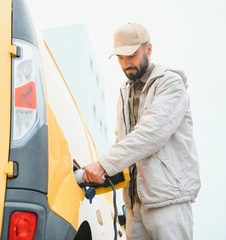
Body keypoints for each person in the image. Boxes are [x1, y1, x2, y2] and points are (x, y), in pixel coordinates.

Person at [82, 22, 201, 239]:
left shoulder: (171, 84)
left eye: (131, 55)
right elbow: (122, 144)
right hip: (134, 205)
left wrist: (103, 165)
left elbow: (150, 134)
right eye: (120, 58)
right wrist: (92, 175)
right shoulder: (124, 92)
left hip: (168, 201)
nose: (126, 64)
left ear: (148, 49)